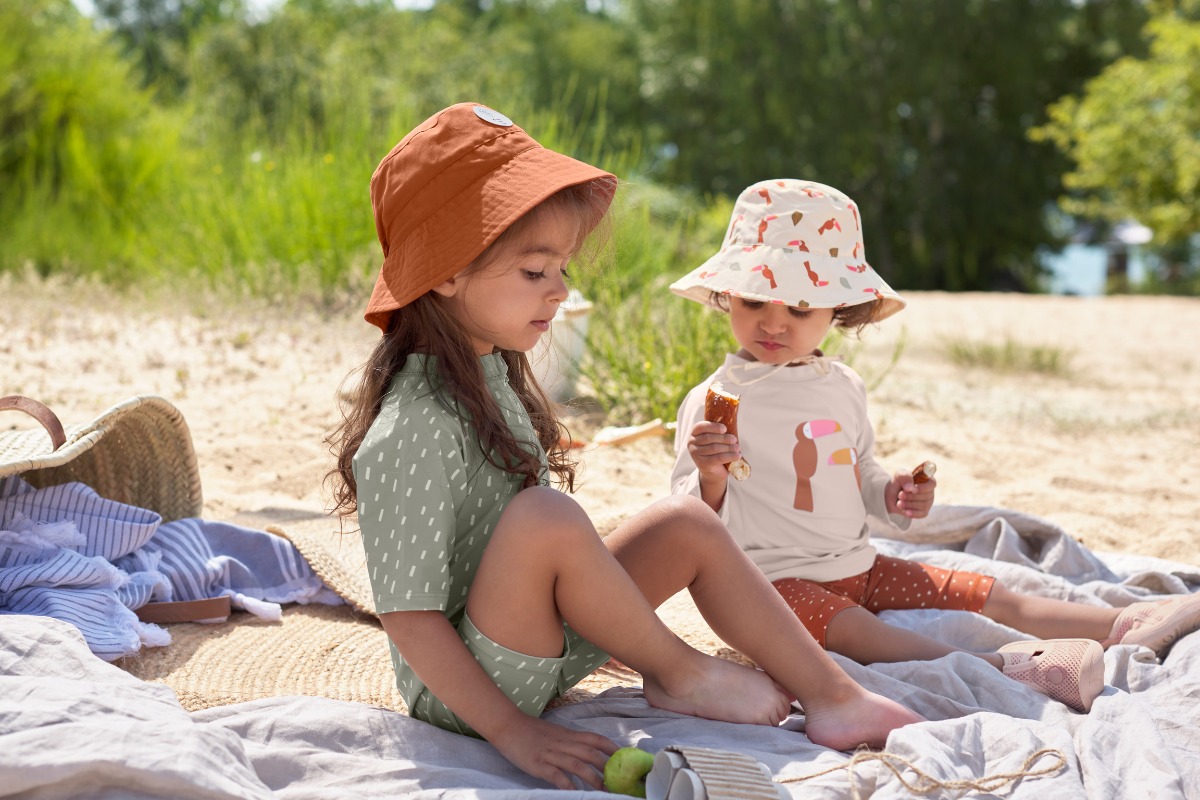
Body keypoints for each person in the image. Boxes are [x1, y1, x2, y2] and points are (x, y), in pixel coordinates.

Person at [325, 105, 924, 791]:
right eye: (534, 272)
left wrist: (606, 623)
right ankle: (678, 669)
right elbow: (409, 617)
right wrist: (514, 732)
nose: (560, 289)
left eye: (562, 269)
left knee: (686, 520)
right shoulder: (412, 425)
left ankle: (834, 696)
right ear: (446, 273)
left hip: (534, 637)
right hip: (472, 689)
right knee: (546, 515)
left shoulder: (488, 370)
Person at [669, 179, 1200, 715]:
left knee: (980, 590)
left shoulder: (842, 386)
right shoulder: (716, 400)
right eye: (755, 299)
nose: (774, 321)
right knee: (858, 632)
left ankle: (1123, 622)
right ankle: (1008, 667)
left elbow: (857, 475)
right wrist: (710, 474)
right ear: (726, 294)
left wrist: (893, 495)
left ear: (839, 309)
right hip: (769, 589)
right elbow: (689, 526)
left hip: (859, 564)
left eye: (802, 308)